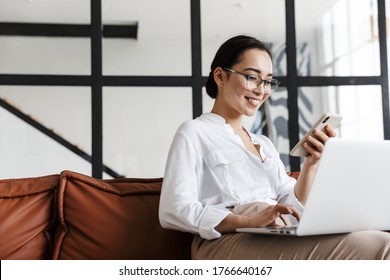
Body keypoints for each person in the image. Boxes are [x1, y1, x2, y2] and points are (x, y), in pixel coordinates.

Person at [159, 35, 390, 259]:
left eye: (268, 81)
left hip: (273, 232)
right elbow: (174, 210)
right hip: (225, 241)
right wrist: (248, 221)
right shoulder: (194, 132)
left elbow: (291, 204)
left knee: (377, 238)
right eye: (252, 77)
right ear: (220, 76)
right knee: (380, 247)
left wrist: (310, 164)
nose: (262, 90)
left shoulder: (264, 145)